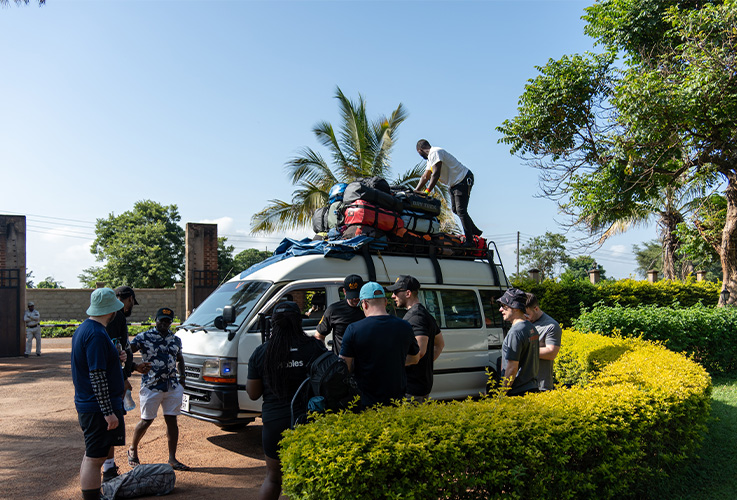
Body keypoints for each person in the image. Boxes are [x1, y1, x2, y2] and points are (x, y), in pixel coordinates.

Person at [246, 301, 326, 500]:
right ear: (299, 322)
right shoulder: (315, 347)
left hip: (274, 421)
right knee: (310, 478)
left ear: (273, 324)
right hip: (308, 420)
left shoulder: (262, 352)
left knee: (273, 478)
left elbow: (253, 393)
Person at [71, 288, 128, 500]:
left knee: (94, 454)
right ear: (110, 311)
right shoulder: (95, 334)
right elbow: (97, 375)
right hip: (96, 408)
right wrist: (108, 411)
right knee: (95, 457)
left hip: (90, 404)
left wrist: (116, 356)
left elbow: (96, 364)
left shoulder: (86, 329)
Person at [340, 282, 421, 408]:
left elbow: (345, 366)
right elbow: (415, 358)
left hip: (365, 400)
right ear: (385, 302)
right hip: (396, 400)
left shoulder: (353, 329)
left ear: (364, 304)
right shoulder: (404, 326)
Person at [127, 307, 189, 471]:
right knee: (146, 420)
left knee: (172, 421)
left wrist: (182, 378)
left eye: (168, 321)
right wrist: (133, 367)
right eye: (162, 320)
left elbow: (180, 358)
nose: (164, 323)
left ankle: (172, 459)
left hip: (172, 386)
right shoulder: (144, 337)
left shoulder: (175, 339)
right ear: (156, 320)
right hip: (151, 386)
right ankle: (132, 449)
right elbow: (127, 351)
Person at [104, 286, 150, 480]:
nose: (131, 306)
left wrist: (133, 367)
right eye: (131, 302)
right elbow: (122, 349)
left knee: (106, 427)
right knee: (110, 426)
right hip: (112, 381)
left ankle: (108, 467)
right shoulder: (119, 317)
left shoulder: (101, 320)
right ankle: (108, 471)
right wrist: (124, 378)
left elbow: (118, 352)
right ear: (128, 298)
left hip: (105, 377)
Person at [387, 275, 445, 402]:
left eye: (396, 292)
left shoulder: (416, 317)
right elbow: (440, 344)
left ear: (407, 293)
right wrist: (425, 365)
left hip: (411, 389)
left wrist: (391, 366)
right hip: (420, 385)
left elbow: (420, 352)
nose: (392, 296)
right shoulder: (424, 314)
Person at [414, 139, 482, 244]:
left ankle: (470, 241)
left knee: (461, 210)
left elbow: (435, 174)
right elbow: (425, 176)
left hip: (463, 179)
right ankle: (475, 231)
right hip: (454, 183)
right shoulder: (430, 159)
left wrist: (427, 192)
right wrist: (416, 191)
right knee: (456, 210)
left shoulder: (435, 152)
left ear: (420, 150)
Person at [497, 288, 539, 396]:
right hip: (532, 388)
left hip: (517, 392)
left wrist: (502, 394)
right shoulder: (531, 327)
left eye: (504, 306)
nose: (500, 310)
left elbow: (512, 367)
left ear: (515, 308)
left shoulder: (515, 332)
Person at [314, 274, 365, 354]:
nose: (355, 299)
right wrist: (326, 357)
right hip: (341, 361)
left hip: (363, 362)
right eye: (352, 296)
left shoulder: (369, 307)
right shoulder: (334, 310)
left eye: (357, 295)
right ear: (344, 292)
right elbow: (319, 336)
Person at [525, 293, 562, 391]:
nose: (525, 318)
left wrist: (524, 350)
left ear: (536, 309)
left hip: (540, 385)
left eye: (527, 314)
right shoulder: (522, 323)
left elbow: (551, 352)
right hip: (521, 384)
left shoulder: (551, 326)